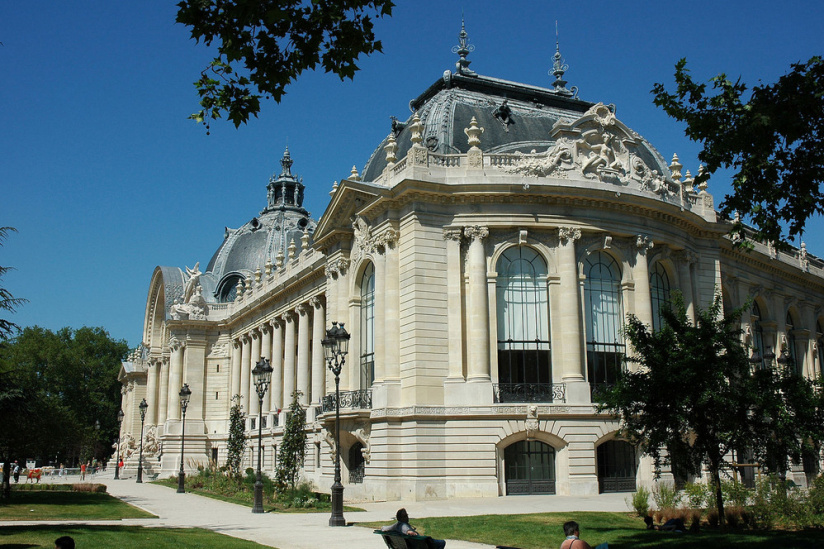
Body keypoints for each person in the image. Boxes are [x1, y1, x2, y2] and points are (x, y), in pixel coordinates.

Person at [381, 508, 446, 549]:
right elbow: (405, 529)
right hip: (418, 544)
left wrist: (383, 529)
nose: (407, 517)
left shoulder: (395, 525)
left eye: (406, 515)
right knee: (442, 542)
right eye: (405, 516)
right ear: (400, 518)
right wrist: (410, 532)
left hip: (413, 544)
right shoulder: (403, 525)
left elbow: (384, 528)